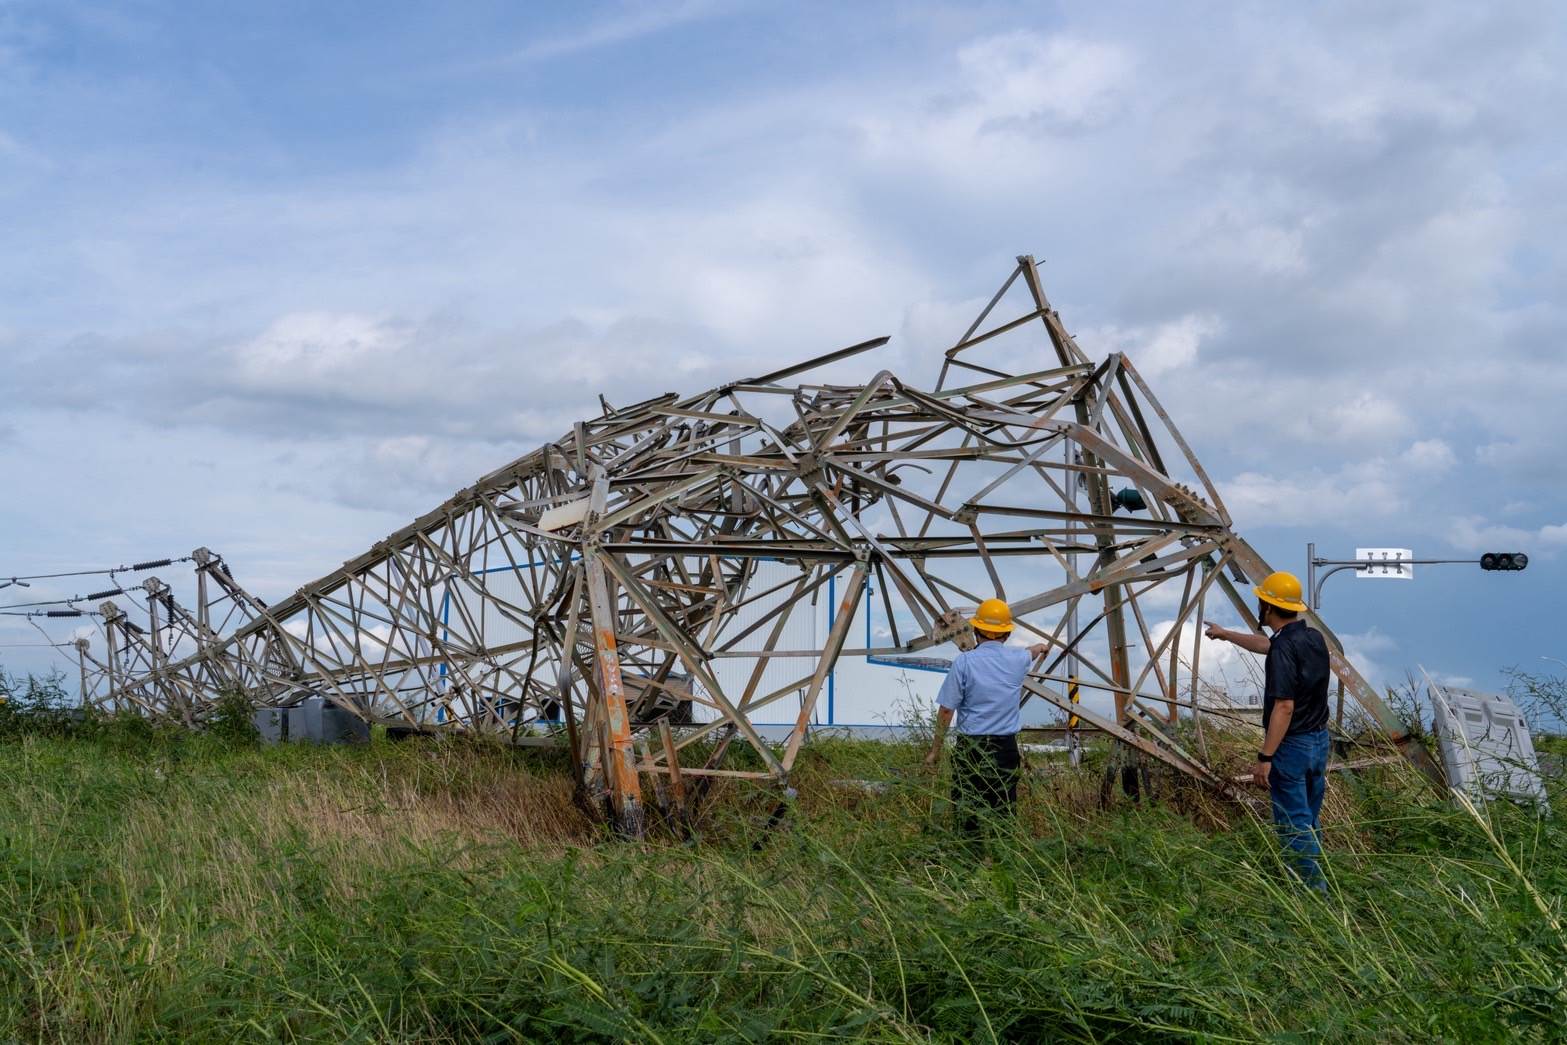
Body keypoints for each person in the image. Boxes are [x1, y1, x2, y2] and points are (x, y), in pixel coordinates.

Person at [1206, 571, 1332, 891]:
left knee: (1293, 827)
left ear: (1266, 607)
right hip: (1319, 743)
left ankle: (1315, 898)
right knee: (1308, 822)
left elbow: (1284, 707)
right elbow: (1268, 644)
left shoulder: (1283, 649)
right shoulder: (1312, 638)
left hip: (1292, 747)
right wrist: (1226, 634)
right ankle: (1313, 884)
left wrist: (1266, 756)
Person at [924, 598, 1049, 839]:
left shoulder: (964, 662)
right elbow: (1032, 653)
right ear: (1007, 634)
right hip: (1005, 749)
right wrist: (1042, 646)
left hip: (971, 749)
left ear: (976, 629)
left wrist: (935, 750)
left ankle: (970, 862)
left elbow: (947, 710)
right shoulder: (1017, 660)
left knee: (967, 811)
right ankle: (1003, 863)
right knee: (1004, 811)